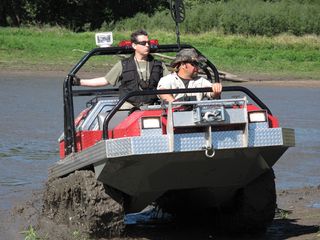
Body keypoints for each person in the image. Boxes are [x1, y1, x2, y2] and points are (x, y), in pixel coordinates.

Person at [73, 29, 170, 108]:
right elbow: (105, 80)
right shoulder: (123, 65)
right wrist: (79, 82)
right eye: (143, 43)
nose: (147, 45)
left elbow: (172, 82)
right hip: (128, 106)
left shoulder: (159, 65)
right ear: (134, 45)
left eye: (148, 42)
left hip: (153, 106)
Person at [157, 48, 222, 102]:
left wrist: (216, 89)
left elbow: (212, 94)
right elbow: (162, 92)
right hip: (172, 115)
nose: (197, 67)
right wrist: (177, 106)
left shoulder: (201, 81)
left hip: (196, 115)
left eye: (198, 64)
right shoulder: (168, 80)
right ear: (183, 65)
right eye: (194, 64)